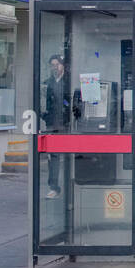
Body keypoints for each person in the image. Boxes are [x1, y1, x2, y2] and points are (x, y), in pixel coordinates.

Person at [43, 54, 81, 198]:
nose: (54, 68)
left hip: (67, 124)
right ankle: (54, 187)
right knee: (53, 155)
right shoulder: (47, 83)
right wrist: (45, 116)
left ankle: (71, 185)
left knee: (69, 155)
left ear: (62, 65)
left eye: (56, 65)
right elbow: (43, 104)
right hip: (52, 124)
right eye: (52, 65)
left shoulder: (69, 82)